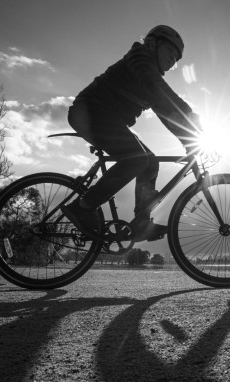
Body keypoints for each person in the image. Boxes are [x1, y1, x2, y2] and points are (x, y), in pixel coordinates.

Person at [62, 25, 201, 242]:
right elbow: (160, 93)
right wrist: (193, 122)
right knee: (136, 160)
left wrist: (189, 139)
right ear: (153, 44)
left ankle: (141, 222)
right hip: (90, 112)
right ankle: (83, 207)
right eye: (170, 53)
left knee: (150, 161)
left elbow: (166, 112)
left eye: (176, 59)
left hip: (108, 119)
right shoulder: (139, 59)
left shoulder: (149, 73)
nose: (173, 61)